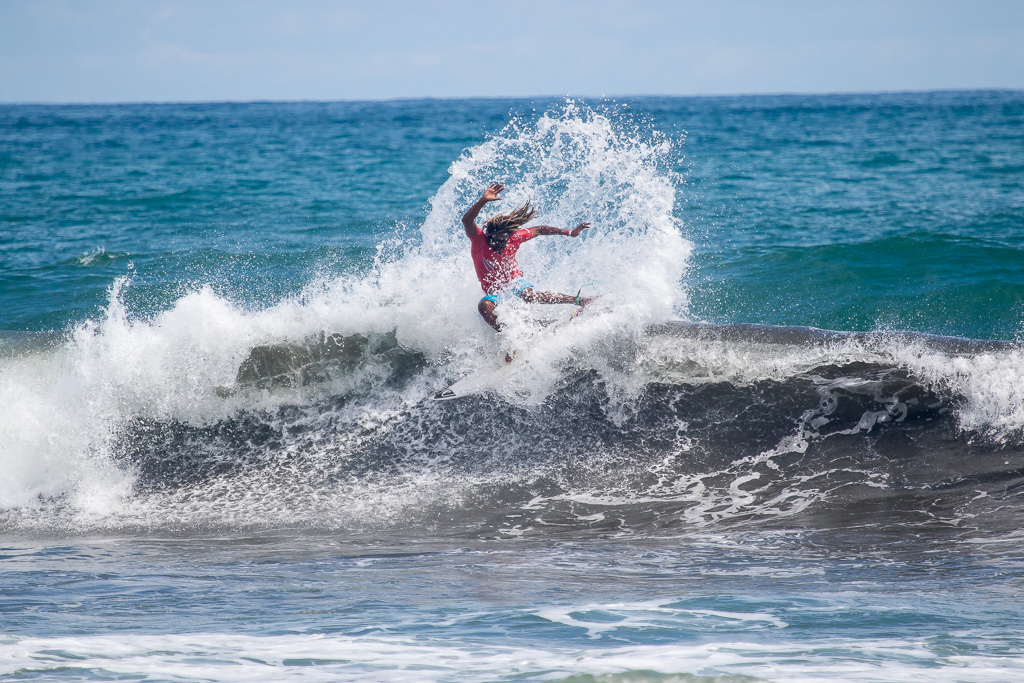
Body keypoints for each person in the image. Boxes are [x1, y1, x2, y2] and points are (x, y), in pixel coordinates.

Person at [462, 183, 594, 333]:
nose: (500, 245)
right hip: (495, 293)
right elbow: (467, 221)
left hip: (514, 282)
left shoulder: (514, 238)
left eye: (503, 241)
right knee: (484, 307)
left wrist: (569, 232)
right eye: (496, 241)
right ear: (489, 236)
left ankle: (582, 301)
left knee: (529, 296)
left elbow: (540, 229)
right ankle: (513, 337)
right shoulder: (479, 240)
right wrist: (483, 201)